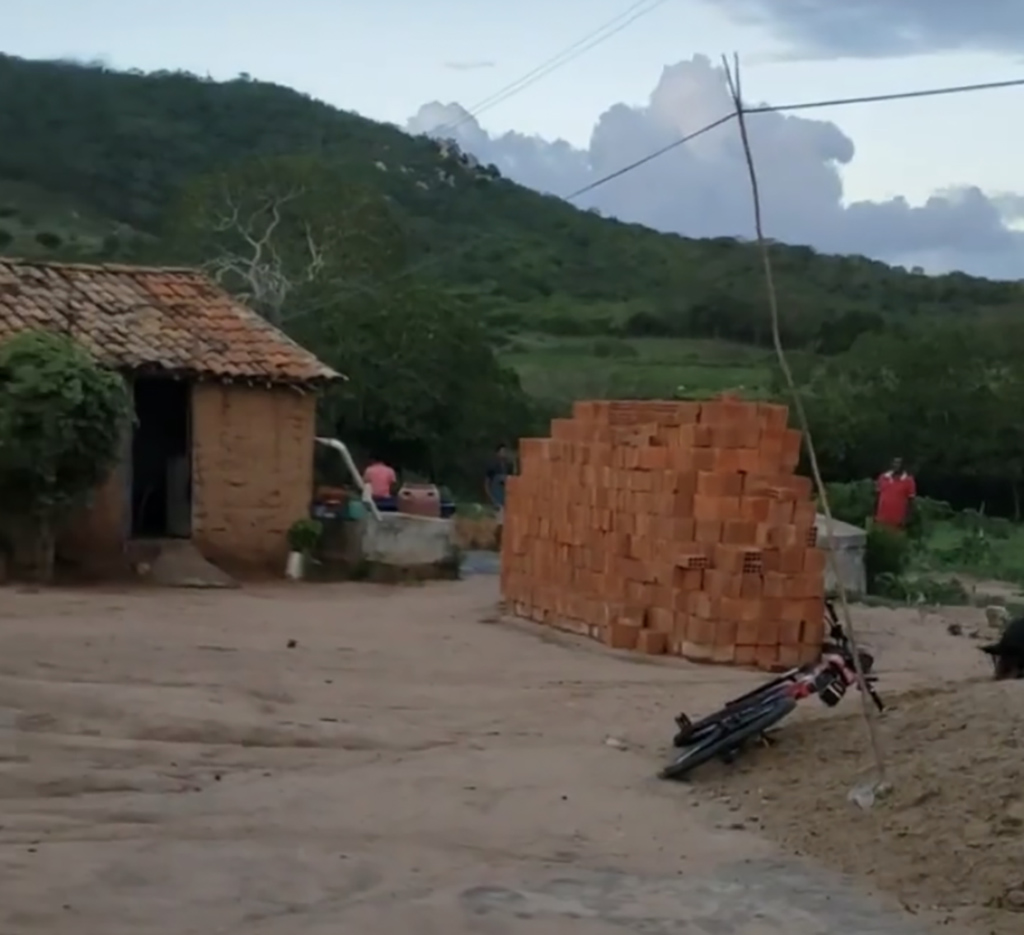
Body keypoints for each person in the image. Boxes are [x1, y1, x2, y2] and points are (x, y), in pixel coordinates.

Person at [874, 457, 916, 529]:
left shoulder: (909, 480)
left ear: (903, 466)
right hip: (881, 519)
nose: (896, 465)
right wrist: (874, 515)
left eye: (899, 463)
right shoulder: (883, 477)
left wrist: (907, 519)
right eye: (895, 463)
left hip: (898, 521)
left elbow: (911, 502)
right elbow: (877, 497)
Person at [485, 443, 514, 545]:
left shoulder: (509, 465)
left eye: (505, 451)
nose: (504, 453)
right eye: (502, 451)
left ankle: (504, 541)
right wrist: (490, 497)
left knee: (507, 521)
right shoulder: (493, 466)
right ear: (497, 453)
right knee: (500, 520)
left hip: (506, 496)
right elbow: (487, 482)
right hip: (497, 496)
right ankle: (498, 541)